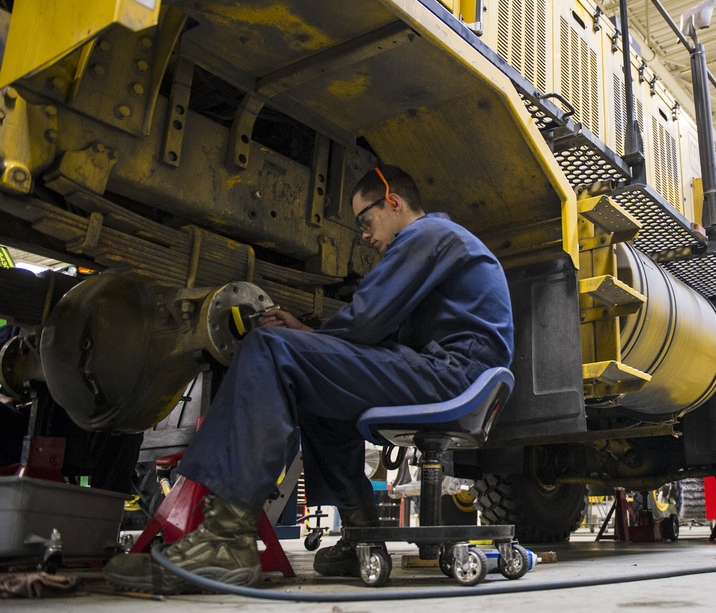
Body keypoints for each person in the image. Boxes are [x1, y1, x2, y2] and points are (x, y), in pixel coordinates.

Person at [103, 165, 514, 593]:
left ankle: (224, 544)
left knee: (267, 348)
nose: (365, 236)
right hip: (448, 373)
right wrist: (307, 337)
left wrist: (293, 342)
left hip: (453, 375)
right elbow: (368, 342)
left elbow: (367, 321)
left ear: (392, 200)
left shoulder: (427, 235)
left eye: (365, 221)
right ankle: (361, 537)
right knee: (320, 397)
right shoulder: (439, 247)